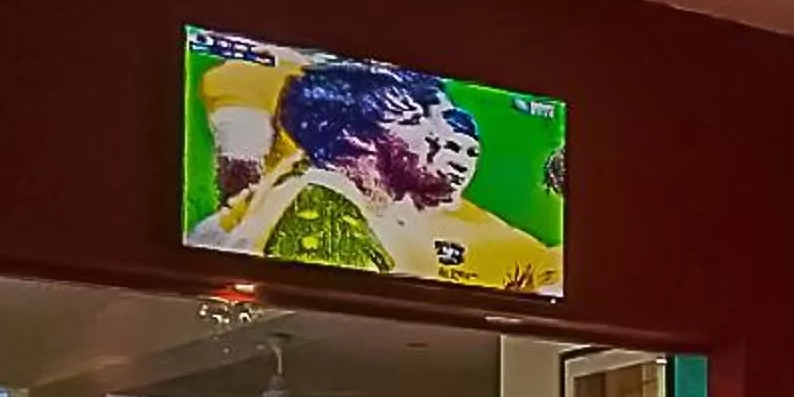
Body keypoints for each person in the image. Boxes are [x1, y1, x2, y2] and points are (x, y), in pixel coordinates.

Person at [189, 55, 560, 296]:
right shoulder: (325, 215)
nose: (438, 136)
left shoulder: (389, 216)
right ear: (357, 137)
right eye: (413, 121)